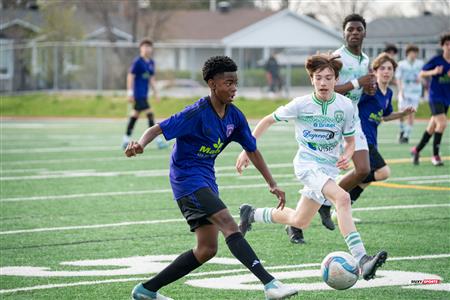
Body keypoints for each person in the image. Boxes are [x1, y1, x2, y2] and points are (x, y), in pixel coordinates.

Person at [125, 56, 297, 300]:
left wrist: (272, 183)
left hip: (206, 179)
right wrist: (140, 144)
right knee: (228, 223)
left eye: (235, 83)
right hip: (186, 179)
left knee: (206, 249)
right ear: (212, 84)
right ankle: (270, 284)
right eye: (228, 83)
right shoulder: (196, 112)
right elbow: (156, 129)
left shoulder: (235, 116)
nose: (234, 88)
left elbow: (252, 149)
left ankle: (146, 290)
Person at [236, 53, 387, 281]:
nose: (323, 82)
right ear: (312, 80)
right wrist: (247, 149)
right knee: (343, 198)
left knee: (300, 220)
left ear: (336, 79)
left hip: (328, 170)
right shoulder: (301, 104)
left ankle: (252, 214)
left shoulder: (345, 106)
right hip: (307, 165)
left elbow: (350, 141)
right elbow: (267, 120)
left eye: (328, 77)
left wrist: (347, 154)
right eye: (318, 78)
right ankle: (362, 259)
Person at [285, 14, 375, 242]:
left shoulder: (365, 59)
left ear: (365, 33)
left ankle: (326, 202)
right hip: (332, 119)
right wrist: (357, 83)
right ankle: (322, 206)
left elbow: (361, 89)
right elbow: (330, 90)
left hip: (351, 119)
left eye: (358, 29)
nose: (354, 33)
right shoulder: (337, 57)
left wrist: (370, 89)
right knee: (324, 175)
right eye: (350, 30)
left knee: (364, 169)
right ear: (343, 33)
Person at [348, 53, 416, 203]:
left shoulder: (389, 93)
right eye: (382, 68)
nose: (386, 71)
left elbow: (385, 116)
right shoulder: (369, 89)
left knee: (367, 179)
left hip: (372, 137)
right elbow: (351, 103)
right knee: (383, 172)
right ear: (375, 71)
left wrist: (403, 114)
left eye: (390, 68)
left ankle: (344, 204)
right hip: (362, 137)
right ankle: (346, 181)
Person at [411, 32, 450, 166]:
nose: (449, 47)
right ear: (442, 46)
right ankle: (435, 156)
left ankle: (416, 150)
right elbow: (421, 73)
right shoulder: (436, 60)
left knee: (432, 127)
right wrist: (433, 72)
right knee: (442, 123)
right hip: (435, 97)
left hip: (446, 99)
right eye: (447, 44)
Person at [122, 39, 167, 150]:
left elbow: (151, 78)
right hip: (138, 94)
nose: (147, 49)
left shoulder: (151, 62)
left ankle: (125, 139)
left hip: (144, 94)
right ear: (141, 48)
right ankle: (158, 140)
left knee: (134, 116)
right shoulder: (138, 62)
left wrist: (156, 92)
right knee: (150, 114)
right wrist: (130, 92)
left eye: (149, 46)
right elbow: (130, 76)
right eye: (145, 46)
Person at [396, 44, 424, 144]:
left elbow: (423, 74)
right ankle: (402, 130)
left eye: (416, 53)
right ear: (408, 53)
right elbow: (398, 78)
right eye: (412, 52)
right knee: (402, 112)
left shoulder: (420, 63)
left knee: (412, 112)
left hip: (415, 91)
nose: (414, 54)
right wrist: (401, 90)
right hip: (405, 89)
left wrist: (421, 77)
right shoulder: (401, 64)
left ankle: (407, 135)